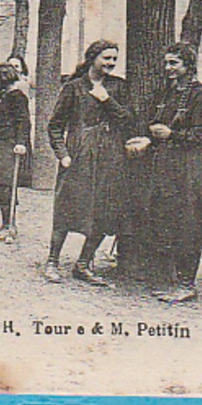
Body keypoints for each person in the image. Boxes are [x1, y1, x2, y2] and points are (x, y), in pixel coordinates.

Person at [132, 42, 202, 303]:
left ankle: (187, 283)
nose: (168, 68)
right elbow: (151, 124)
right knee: (164, 218)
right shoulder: (165, 94)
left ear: (188, 66)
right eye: (167, 62)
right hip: (163, 165)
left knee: (189, 223)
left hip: (189, 168)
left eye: (174, 63)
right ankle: (168, 277)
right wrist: (149, 139)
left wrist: (172, 134)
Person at [44, 40, 135, 282]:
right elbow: (54, 126)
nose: (111, 63)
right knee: (67, 207)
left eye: (114, 59)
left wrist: (106, 100)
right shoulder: (74, 87)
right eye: (106, 58)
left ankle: (83, 264)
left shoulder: (118, 87)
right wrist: (63, 155)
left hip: (110, 157)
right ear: (93, 57)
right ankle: (52, 261)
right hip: (79, 155)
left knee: (105, 211)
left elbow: (128, 120)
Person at [0, 59, 32, 244]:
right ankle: (6, 224)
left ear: (4, 78)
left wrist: (21, 143)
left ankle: (10, 226)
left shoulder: (17, 96)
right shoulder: (3, 95)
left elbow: (24, 121)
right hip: (0, 142)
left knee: (6, 185)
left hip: (11, 144)